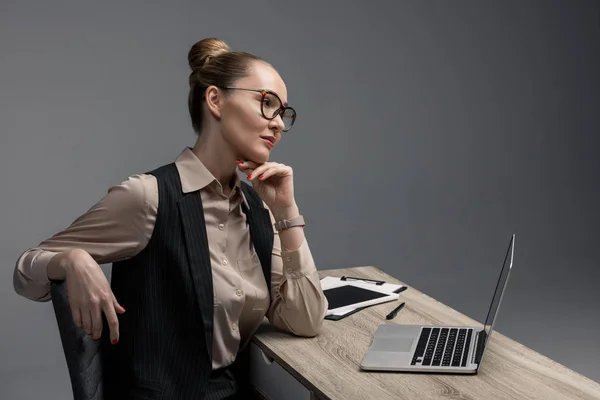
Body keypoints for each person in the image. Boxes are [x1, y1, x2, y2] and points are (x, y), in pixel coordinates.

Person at [13, 37, 328, 399]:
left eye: (283, 113)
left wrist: (286, 212)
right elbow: (25, 270)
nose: (277, 124)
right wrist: (71, 260)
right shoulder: (151, 196)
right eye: (266, 103)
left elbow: (305, 320)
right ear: (215, 100)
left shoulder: (256, 211)